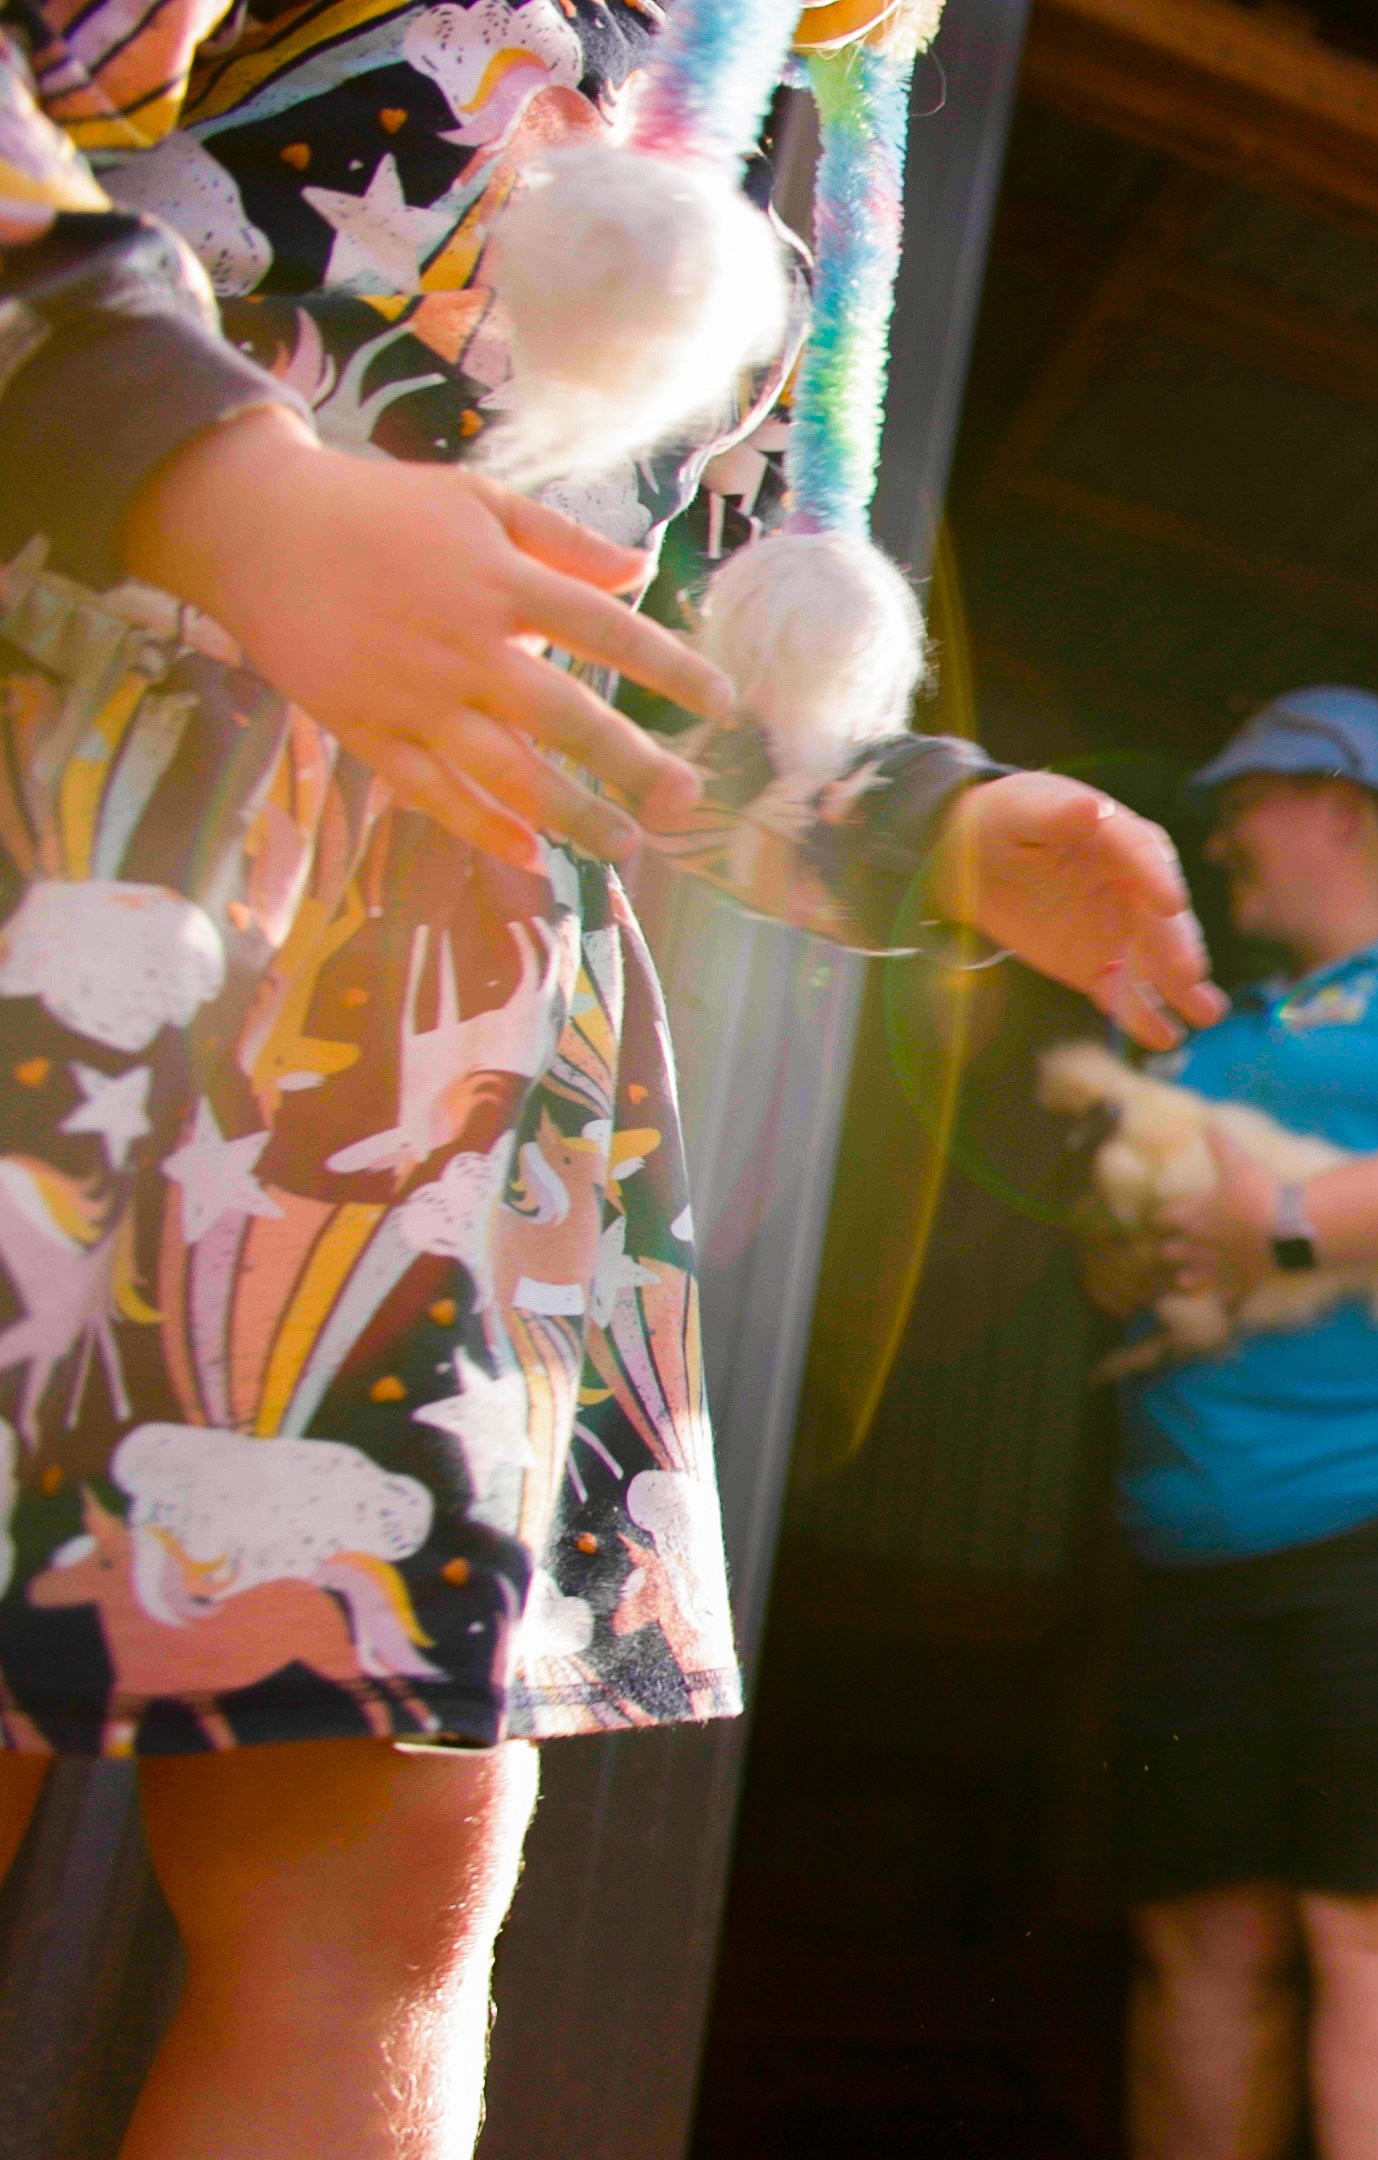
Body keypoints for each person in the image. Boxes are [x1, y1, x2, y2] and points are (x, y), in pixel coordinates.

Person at [0, 1, 1222, 2151]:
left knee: (392, 1885)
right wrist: (221, 480)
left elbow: (668, 646)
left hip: (430, 1012)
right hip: (60, 815)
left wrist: (921, 822)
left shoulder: (778, 77)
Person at [1084, 687, 1378, 2160]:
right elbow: (1114, 1252)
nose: (1220, 839)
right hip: (1192, 1551)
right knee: (1197, 1954)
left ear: (1348, 805)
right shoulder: (1206, 1025)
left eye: (1248, 803)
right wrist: (1131, 1251)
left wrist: (1283, 1225)